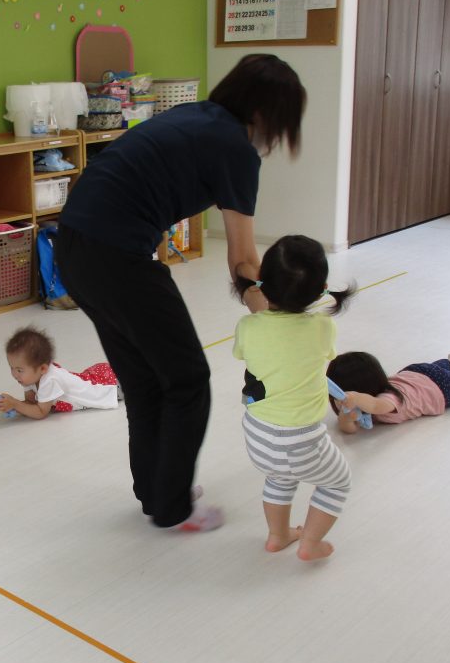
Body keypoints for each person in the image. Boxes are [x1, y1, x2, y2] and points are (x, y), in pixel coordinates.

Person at [55, 54, 306, 532]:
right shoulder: (236, 148)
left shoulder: (196, 116)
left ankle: (156, 493)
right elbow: (243, 261)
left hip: (73, 247)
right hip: (117, 254)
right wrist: (277, 320)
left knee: (147, 380)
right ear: (265, 113)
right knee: (188, 380)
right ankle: (173, 506)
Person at [233, 235, 354, 561]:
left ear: (262, 282)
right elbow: (326, 353)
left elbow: (241, 353)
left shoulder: (248, 326)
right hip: (303, 439)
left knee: (280, 477)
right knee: (338, 482)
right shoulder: (323, 328)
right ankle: (310, 543)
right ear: (321, 289)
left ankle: (278, 535)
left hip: (258, 436)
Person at [326, 351, 450, 434]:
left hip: (442, 388)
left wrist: (355, 398)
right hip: (414, 372)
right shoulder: (355, 403)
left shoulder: (388, 399)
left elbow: (376, 406)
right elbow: (349, 429)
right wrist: (346, 414)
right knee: (436, 366)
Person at [0, 326, 120, 419]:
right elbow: (31, 403)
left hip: (108, 385)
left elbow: (41, 412)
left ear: (42, 369)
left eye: (19, 370)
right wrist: (8, 405)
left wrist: (15, 403)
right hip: (95, 376)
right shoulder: (29, 377)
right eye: (12, 368)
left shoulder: (49, 380)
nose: (14, 374)